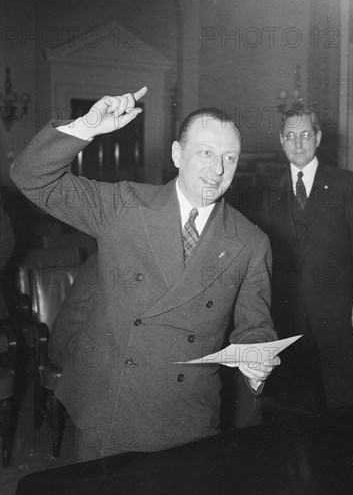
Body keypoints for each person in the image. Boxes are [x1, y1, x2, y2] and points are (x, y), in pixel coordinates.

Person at [10, 87, 279, 460]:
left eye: (229, 158)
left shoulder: (250, 241)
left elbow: (255, 328)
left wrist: (257, 362)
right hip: (111, 410)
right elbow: (31, 177)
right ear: (176, 154)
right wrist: (86, 126)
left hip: (190, 419)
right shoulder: (124, 205)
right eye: (205, 153)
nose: (218, 170)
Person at [253, 109, 353, 410]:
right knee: (297, 394)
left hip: (338, 308)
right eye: (291, 136)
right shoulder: (271, 191)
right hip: (290, 311)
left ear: (318, 138)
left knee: (344, 391)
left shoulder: (345, 184)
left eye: (306, 135)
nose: (298, 143)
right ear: (282, 141)